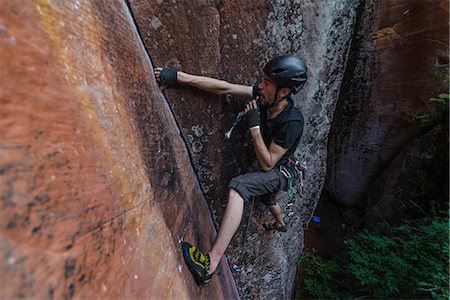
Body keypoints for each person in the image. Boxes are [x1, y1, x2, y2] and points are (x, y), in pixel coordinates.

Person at [154, 55, 307, 285]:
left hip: (279, 172)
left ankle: (210, 264)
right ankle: (279, 223)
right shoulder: (266, 98)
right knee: (268, 198)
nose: (260, 86)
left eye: (267, 82)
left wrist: (254, 127)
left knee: (240, 187)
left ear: (284, 92)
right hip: (273, 168)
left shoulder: (292, 122)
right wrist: (178, 78)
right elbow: (224, 87)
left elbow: (268, 164)